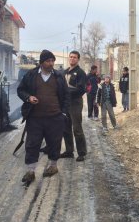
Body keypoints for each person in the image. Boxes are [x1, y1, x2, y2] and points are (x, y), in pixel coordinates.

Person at [17, 50, 70, 184]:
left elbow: (66, 95)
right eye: (48, 61)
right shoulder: (31, 75)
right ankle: (31, 171)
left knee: (54, 142)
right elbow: (20, 90)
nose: (51, 63)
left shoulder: (59, 76)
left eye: (52, 61)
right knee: (32, 144)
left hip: (55, 117)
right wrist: (29, 98)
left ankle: (53, 166)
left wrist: (63, 113)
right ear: (41, 62)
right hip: (35, 118)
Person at [62, 51, 87, 161]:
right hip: (65, 103)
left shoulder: (80, 73)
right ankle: (69, 151)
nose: (72, 59)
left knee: (77, 128)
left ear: (78, 59)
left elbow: (81, 89)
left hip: (75, 103)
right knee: (66, 128)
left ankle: (81, 153)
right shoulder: (65, 72)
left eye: (74, 57)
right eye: (71, 57)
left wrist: (66, 91)